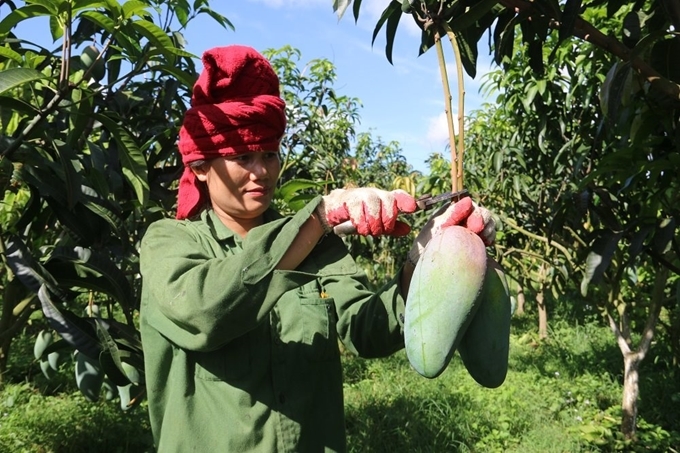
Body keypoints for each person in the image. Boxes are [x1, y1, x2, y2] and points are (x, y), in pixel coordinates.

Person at [139, 45, 496, 452]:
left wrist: (425, 261)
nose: (261, 172)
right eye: (242, 156)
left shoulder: (315, 246)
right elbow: (203, 311)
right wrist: (319, 217)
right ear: (200, 167)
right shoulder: (169, 241)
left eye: (270, 155)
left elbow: (367, 331)